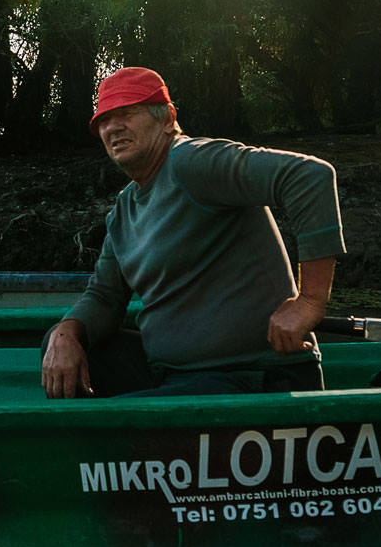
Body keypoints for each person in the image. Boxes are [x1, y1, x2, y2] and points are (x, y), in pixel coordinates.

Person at [41, 67, 342, 399]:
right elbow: (105, 297)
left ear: (167, 118)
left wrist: (310, 301)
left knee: (115, 426)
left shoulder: (191, 160)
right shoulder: (124, 209)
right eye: (104, 120)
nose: (113, 127)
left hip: (253, 376)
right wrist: (66, 332)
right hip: (174, 374)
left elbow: (308, 176)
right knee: (59, 345)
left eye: (127, 113)